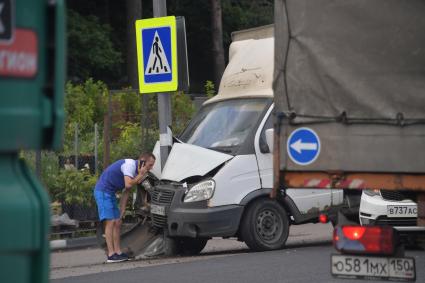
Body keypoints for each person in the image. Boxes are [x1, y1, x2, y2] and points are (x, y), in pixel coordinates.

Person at [93, 153, 156, 263]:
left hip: (110, 193)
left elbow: (126, 192)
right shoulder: (130, 165)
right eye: (150, 165)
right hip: (102, 192)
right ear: (142, 162)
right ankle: (111, 255)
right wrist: (140, 175)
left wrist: (122, 211)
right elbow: (128, 184)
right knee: (111, 222)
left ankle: (118, 252)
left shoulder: (136, 172)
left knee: (118, 222)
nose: (151, 168)